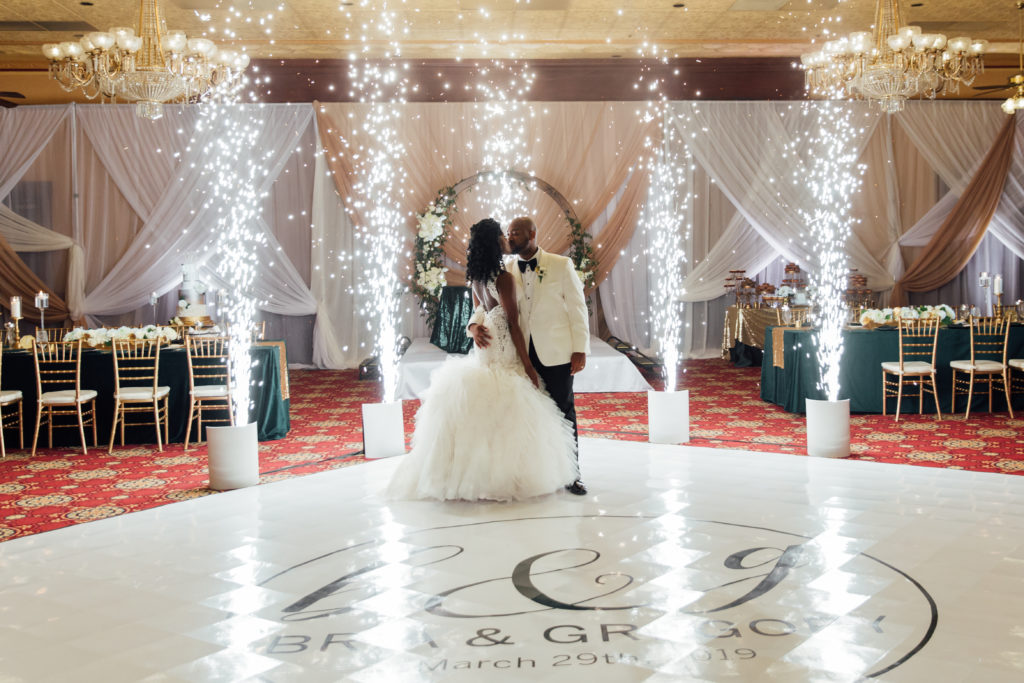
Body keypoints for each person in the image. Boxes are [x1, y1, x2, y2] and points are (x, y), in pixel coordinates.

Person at [387, 218, 578, 501]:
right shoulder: (503, 277)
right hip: (502, 356)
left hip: (487, 357)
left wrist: (475, 325)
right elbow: (512, 324)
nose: (507, 239)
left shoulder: (477, 278)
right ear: (494, 242)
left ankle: (478, 477)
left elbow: (480, 310)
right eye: (503, 234)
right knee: (510, 415)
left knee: (483, 417)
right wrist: (525, 365)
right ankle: (505, 479)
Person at [468, 216, 590, 496]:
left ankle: (573, 475)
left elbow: (577, 308)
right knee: (528, 418)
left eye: (516, 233)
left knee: (563, 412)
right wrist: (472, 327)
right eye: (508, 233)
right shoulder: (504, 269)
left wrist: (580, 348)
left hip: (555, 352)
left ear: (532, 234)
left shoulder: (561, 265)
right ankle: (536, 474)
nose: (510, 238)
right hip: (517, 354)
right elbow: (484, 309)